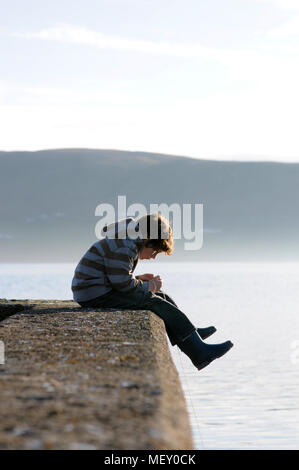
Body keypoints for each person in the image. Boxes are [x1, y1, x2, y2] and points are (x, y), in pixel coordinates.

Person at [72, 213, 233, 371]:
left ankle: (191, 335)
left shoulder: (126, 240)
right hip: (95, 295)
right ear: (147, 239)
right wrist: (149, 286)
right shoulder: (125, 246)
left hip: (98, 290)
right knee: (153, 300)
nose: (153, 257)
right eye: (155, 251)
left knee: (162, 297)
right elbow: (122, 284)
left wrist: (138, 279)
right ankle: (199, 352)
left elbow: (116, 275)